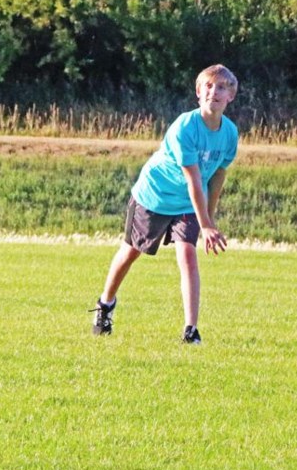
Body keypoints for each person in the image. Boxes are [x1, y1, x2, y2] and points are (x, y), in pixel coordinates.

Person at [90, 64, 239, 344]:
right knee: (132, 252)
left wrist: (209, 219)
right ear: (198, 92)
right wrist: (205, 223)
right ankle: (105, 305)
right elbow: (194, 178)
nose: (214, 92)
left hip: (188, 204)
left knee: (188, 256)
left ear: (231, 96)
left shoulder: (229, 133)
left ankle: (190, 330)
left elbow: (217, 175)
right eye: (208, 86)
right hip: (155, 196)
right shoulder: (185, 126)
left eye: (221, 87)